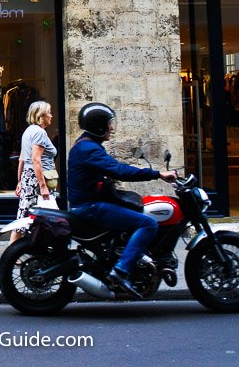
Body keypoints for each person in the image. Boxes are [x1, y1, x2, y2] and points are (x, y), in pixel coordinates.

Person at [67, 102, 176, 297]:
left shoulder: (87, 144)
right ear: (98, 126)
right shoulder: (89, 149)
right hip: (89, 207)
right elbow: (119, 170)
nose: (112, 128)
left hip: (89, 203)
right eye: (109, 124)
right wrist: (158, 174)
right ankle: (121, 270)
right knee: (149, 224)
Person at [12, 101, 56, 241]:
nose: (51, 116)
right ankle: (13, 251)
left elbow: (22, 159)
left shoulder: (29, 131)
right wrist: (43, 187)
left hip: (29, 177)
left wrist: (19, 181)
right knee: (42, 214)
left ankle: (13, 249)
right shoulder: (40, 133)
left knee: (24, 214)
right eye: (49, 112)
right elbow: (36, 160)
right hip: (38, 179)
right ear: (41, 116)